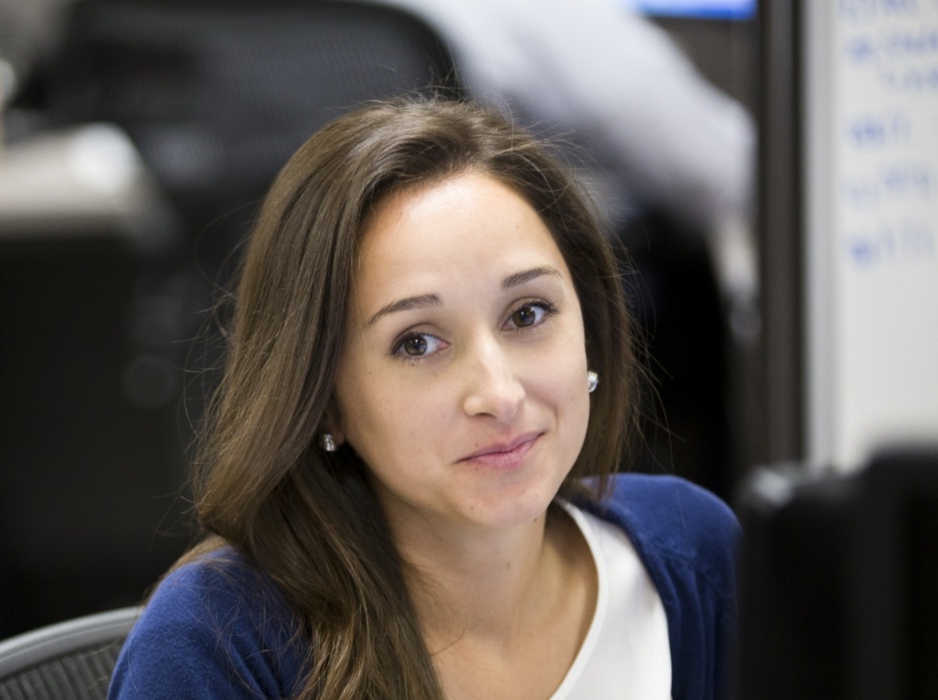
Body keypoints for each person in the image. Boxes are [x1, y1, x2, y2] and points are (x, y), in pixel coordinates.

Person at [108, 96, 739, 700]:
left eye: (528, 313)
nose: (499, 393)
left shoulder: (691, 557)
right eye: (416, 344)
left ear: (590, 334)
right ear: (324, 400)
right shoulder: (220, 644)